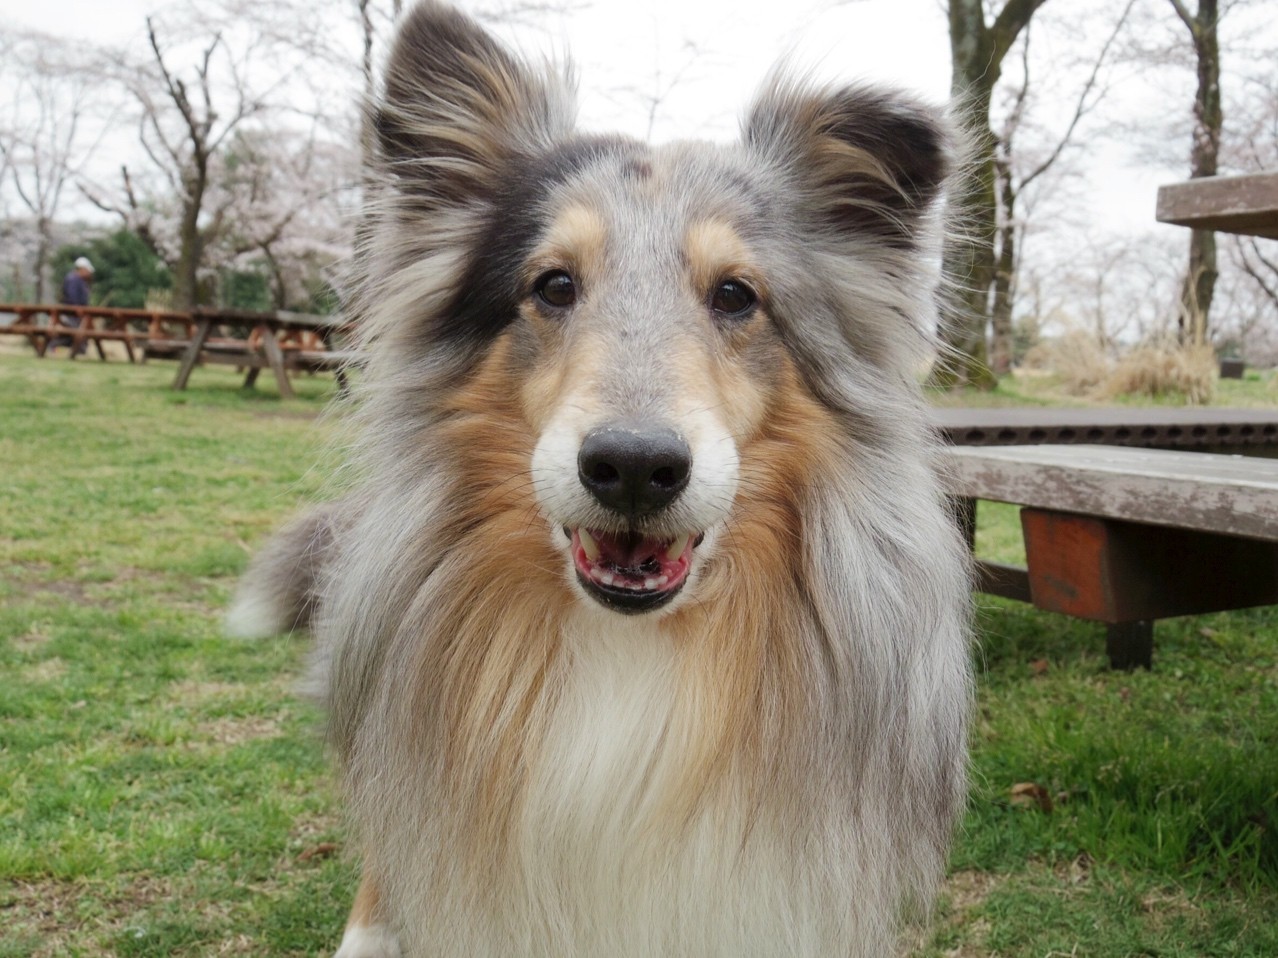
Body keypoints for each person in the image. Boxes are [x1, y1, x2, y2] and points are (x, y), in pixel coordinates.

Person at [49, 256, 94, 355]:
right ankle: (55, 346)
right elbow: (72, 296)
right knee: (76, 331)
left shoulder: (79, 280)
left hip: (75, 314)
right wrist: (78, 308)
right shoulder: (73, 279)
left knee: (78, 332)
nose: (88, 273)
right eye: (87, 270)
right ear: (82, 269)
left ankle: (79, 349)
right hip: (72, 314)